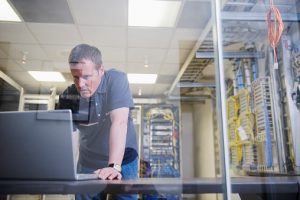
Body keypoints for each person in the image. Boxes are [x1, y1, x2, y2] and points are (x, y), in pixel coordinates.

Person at [58, 44, 138, 200]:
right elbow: (65, 139)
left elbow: (120, 122)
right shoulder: (68, 96)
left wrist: (114, 166)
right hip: (89, 160)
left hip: (124, 159)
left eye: (87, 77)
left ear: (101, 70)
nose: (80, 84)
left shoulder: (116, 80)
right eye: (75, 77)